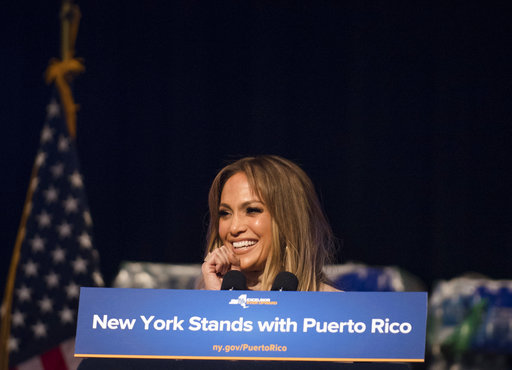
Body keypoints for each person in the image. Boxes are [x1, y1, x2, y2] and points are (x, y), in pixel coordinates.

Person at [201, 155, 339, 292]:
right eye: (225, 213)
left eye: (252, 210)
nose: (234, 227)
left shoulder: (336, 307)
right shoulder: (195, 309)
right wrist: (216, 301)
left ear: (290, 222)